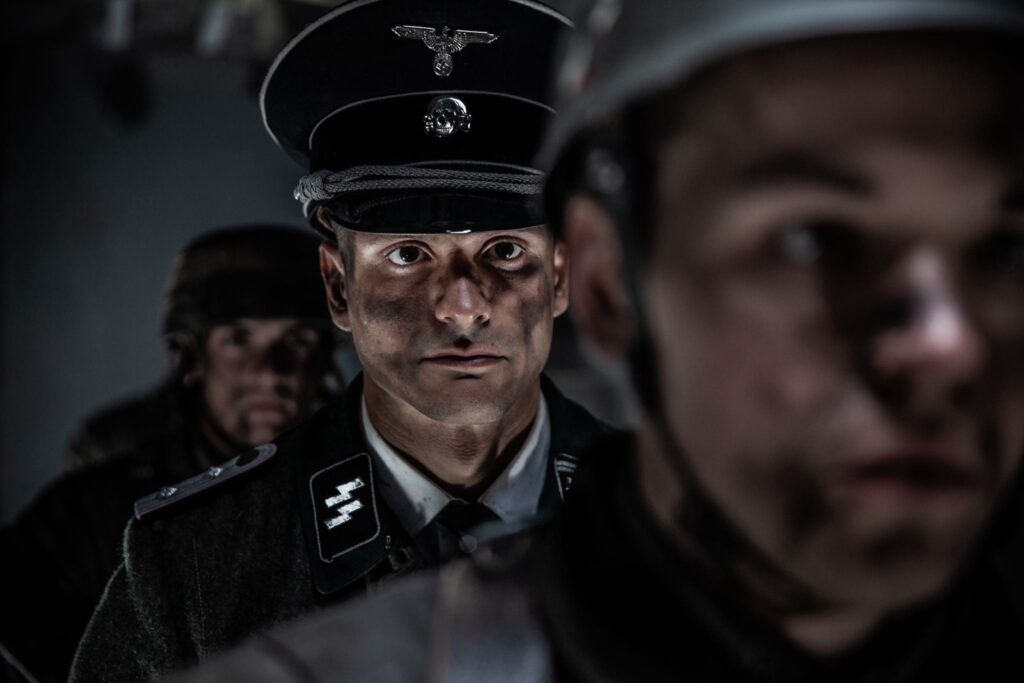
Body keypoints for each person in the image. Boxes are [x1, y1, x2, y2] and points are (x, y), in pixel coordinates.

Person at [168, 0, 1024, 681]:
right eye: (812, 240)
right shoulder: (215, 563)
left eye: (1006, 249)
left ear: (576, 280)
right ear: (616, 287)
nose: (945, 345)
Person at [70, 1, 609, 681]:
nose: (462, 305)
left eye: (504, 249)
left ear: (559, 277)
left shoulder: (684, 532)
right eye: (408, 254)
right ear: (336, 287)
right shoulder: (194, 562)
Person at [0, 224, 338, 683]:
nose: (269, 372)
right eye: (237, 340)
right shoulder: (89, 511)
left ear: (323, 359)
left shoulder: (356, 486)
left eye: (296, 341)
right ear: (191, 359)